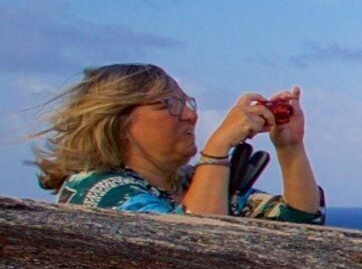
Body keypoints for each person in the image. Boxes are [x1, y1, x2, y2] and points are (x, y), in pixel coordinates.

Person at [31, 63, 325, 223]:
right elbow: (193, 243)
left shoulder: (192, 184)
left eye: (187, 102)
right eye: (169, 104)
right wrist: (217, 149)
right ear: (117, 122)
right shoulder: (97, 190)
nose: (191, 115)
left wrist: (290, 148)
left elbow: (300, 220)